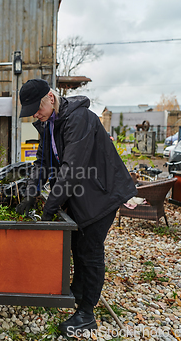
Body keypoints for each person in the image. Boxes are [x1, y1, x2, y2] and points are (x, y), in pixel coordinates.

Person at [16, 79, 137, 335]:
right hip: (84, 193)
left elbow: (71, 170)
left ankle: (86, 313)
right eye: (31, 113)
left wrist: (49, 208)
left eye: (36, 109)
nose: (35, 115)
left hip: (102, 192)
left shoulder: (78, 119)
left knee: (90, 250)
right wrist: (30, 194)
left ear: (51, 97)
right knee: (76, 245)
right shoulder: (48, 124)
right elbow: (42, 162)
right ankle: (78, 291)